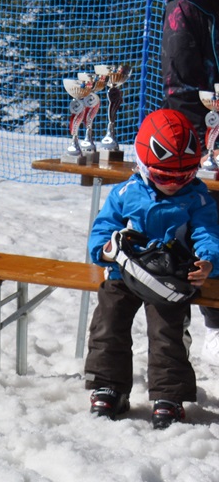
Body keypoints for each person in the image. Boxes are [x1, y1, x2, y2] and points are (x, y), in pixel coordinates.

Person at [83, 109, 218, 428]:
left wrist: (208, 260)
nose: (173, 185)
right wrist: (103, 250)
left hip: (169, 279)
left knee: (167, 329)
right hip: (125, 273)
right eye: (163, 177)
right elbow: (103, 227)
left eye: (182, 177)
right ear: (143, 166)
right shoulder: (127, 192)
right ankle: (109, 385)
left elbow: (208, 232)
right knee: (109, 320)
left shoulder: (196, 197)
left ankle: (169, 395)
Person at [161, 0, 219, 362]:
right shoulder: (187, 3)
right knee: (195, 225)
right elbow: (182, 90)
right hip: (195, 140)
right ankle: (199, 325)